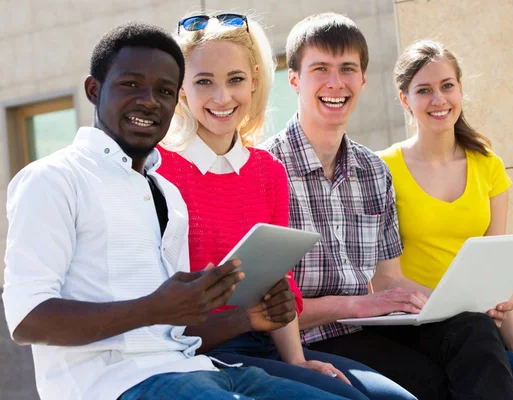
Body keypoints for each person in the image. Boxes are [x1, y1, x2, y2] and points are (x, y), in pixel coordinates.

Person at [2, 21, 353, 400]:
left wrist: (248, 318)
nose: (150, 101)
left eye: (164, 91)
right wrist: (153, 308)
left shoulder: (165, 191)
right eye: (131, 85)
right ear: (94, 89)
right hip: (116, 384)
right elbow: (26, 319)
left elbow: (175, 330)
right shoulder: (51, 179)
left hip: (202, 368)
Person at [156, 12, 415, 400]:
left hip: (271, 343)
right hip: (206, 352)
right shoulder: (162, 170)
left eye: (236, 80)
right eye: (204, 82)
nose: (222, 97)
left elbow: (281, 281)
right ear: (180, 89)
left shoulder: (267, 171)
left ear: (256, 81)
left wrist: (296, 360)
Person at [262, 12, 513, 400]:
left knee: (474, 330)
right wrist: (360, 304)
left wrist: (459, 302)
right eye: (321, 69)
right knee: (433, 385)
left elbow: (390, 280)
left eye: (347, 69)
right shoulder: (266, 169)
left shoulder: (372, 171)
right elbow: (268, 309)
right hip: (305, 341)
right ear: (293, 78)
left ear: (363, 80)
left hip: (370, 328)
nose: (336, 82)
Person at [379, 38, 513, 400]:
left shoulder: (487, 164)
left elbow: (498, 270)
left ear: (461, 89)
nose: (439, 99)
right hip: (417, 325)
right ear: (405, 100)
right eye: (424, 90)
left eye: (447, 86)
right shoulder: (383, 169)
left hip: (480, 320)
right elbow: (384, 280)